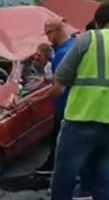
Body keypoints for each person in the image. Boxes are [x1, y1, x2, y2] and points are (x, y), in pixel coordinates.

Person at [49, 3, 109, 200]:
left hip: (81, 119)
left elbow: (61, 77)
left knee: (64, 178)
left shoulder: (88, 39)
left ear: (97, 23)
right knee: (104, 181)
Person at [33, 18, 76, 175]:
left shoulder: (62, 54)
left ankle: (54, 170)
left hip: (65, 106)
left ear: (55, 31)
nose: (47, 38)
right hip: (73, 104)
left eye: (48, 33)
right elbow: (67, 75)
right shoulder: (74, 45)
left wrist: (39, 100)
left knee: (59, 140)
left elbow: (59, 89)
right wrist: (46, 79)